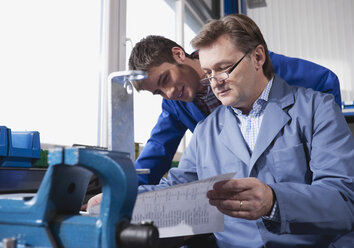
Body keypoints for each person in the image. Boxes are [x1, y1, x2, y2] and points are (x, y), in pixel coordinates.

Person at [136, 14, 354, 247]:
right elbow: (177, 188)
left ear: (257, 57)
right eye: (209, 73)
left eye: (224, 68)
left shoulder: (316, 108)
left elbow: (348, 200)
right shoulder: (205, 130)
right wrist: (120, 198)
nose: (215, 81)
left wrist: (274, 201)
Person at [129, 35, 341, 185]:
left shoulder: (252, 64)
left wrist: (323, 144)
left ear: (178, 54)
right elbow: (157, 149)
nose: (169, 92)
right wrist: (126, 189)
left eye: (165, 79)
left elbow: (325, 80)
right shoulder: (175, 104)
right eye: (158, 92)